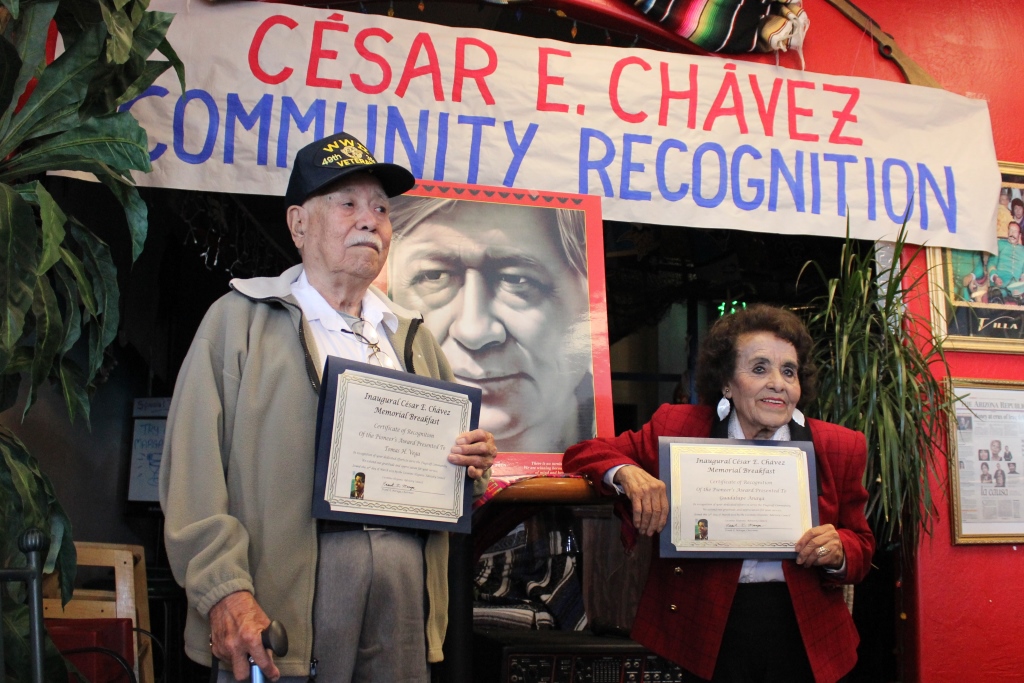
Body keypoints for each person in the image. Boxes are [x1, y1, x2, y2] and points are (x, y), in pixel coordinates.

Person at [160, 132, 498, 682]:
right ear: (298, 224)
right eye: (348, 204)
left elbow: (449, 478)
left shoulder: (414, 340)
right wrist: (225, 590)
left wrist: (470, 464)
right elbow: (191, 474)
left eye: (381, 209)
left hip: (402, 590)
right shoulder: (238, 320)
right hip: (284, 598)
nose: (370, 220)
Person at [563, 305, 874, 683]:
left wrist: (839, 548)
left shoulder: (840, 445)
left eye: (788, 371)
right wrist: (627, 473)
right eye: (759, 368)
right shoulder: (678, 426)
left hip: (805, 632)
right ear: (726, 382)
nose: (777, 382)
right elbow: (583, 453)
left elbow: (861, 545)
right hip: (705, 628)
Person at [387, 197, 594, 454]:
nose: (474, 332)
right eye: (433, 276)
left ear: (586, 291)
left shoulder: (614, 459)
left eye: (516, 280)